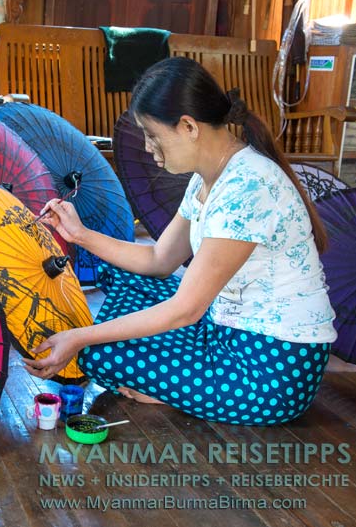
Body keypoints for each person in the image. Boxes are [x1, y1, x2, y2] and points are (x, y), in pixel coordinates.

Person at [23, 57, 337, 426]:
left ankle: (180, 392)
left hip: (269, 368)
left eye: (153, 135)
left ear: (188, 126)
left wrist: (78, 338)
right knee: (126, 277)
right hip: (225, 330)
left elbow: (185, 309)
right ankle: (180, 386)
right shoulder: (210, 177)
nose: (148, 146)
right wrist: (80, 235)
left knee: (97, 355)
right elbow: (159, 259)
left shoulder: (247, 187)